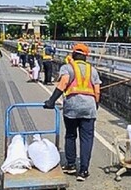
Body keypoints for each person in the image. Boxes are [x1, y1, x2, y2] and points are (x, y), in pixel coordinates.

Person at [43, 43, 101, 182]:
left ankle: (70, 165)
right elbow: (97, 91)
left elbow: (62, 84)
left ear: (73, 54)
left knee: (70, 135)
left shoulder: (68, 67)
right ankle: (84, 170)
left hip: (72, 107)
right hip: (89, 107)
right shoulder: (92, 70)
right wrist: (95, 105)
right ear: (86, 56)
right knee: (87, 138)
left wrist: (51, 101)